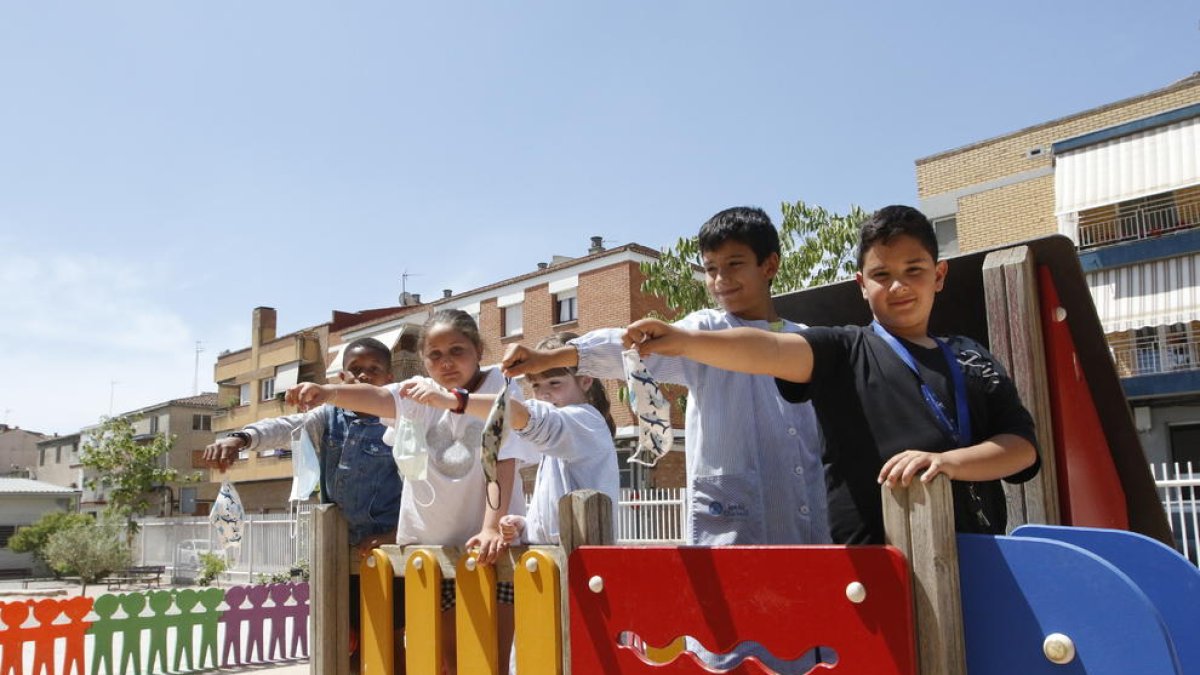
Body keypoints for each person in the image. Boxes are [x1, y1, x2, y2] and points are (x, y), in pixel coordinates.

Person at [503, 207, 828, 672]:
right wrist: (551, 356)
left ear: (769, 266)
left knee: (806, 647)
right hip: (732, 538)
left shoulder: (809, 341)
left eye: (734, 264)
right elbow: (631, 347)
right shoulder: (703, 333)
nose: (721, 280)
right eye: (711, 269)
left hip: (804, 536)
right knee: (733, 650)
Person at [624, 205, 1041, 545]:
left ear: (939, 275)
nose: (898, 286)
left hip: (977, 554)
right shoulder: (844, 350)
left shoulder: (971, 357)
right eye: (881, 275)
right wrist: (683, 340)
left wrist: (945, 463)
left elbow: (1021, 448)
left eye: (913, 270)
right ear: (861, 284)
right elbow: (767, 347)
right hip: (868, 573)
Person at [286, 308, 536, 675]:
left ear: (479, 349)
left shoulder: (499, 388)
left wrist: (491, 527)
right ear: (422, 359)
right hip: (432, 550)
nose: (446, 362)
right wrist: (327, 392)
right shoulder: (420, 393)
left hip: (485, 550)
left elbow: (503, 462)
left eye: (457, 350)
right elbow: (377, 398)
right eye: (434, 354)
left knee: (489, 659)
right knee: (445, 662)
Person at [203, 337, 405, 672]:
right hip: (341, 553)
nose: (364, 377)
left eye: (374, 370)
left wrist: (396, 533)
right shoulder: (330, 417)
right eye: (355, 370)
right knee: (346, 645)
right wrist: (240, 438)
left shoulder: (399, 418)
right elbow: (285, 427)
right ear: (342, 378)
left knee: (390, 641)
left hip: (388, 552)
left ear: (389, 378)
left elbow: (417, 483)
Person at [406, 332, 620, 546]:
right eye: (536, 386)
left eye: (555, 383)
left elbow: (521, 413)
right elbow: (554, 514)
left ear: (585, 381)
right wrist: (525, 526)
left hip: (583, 561)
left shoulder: (584, 421)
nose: (544, 394)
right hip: (560, 557)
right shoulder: (560, 434)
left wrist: (454, 401)